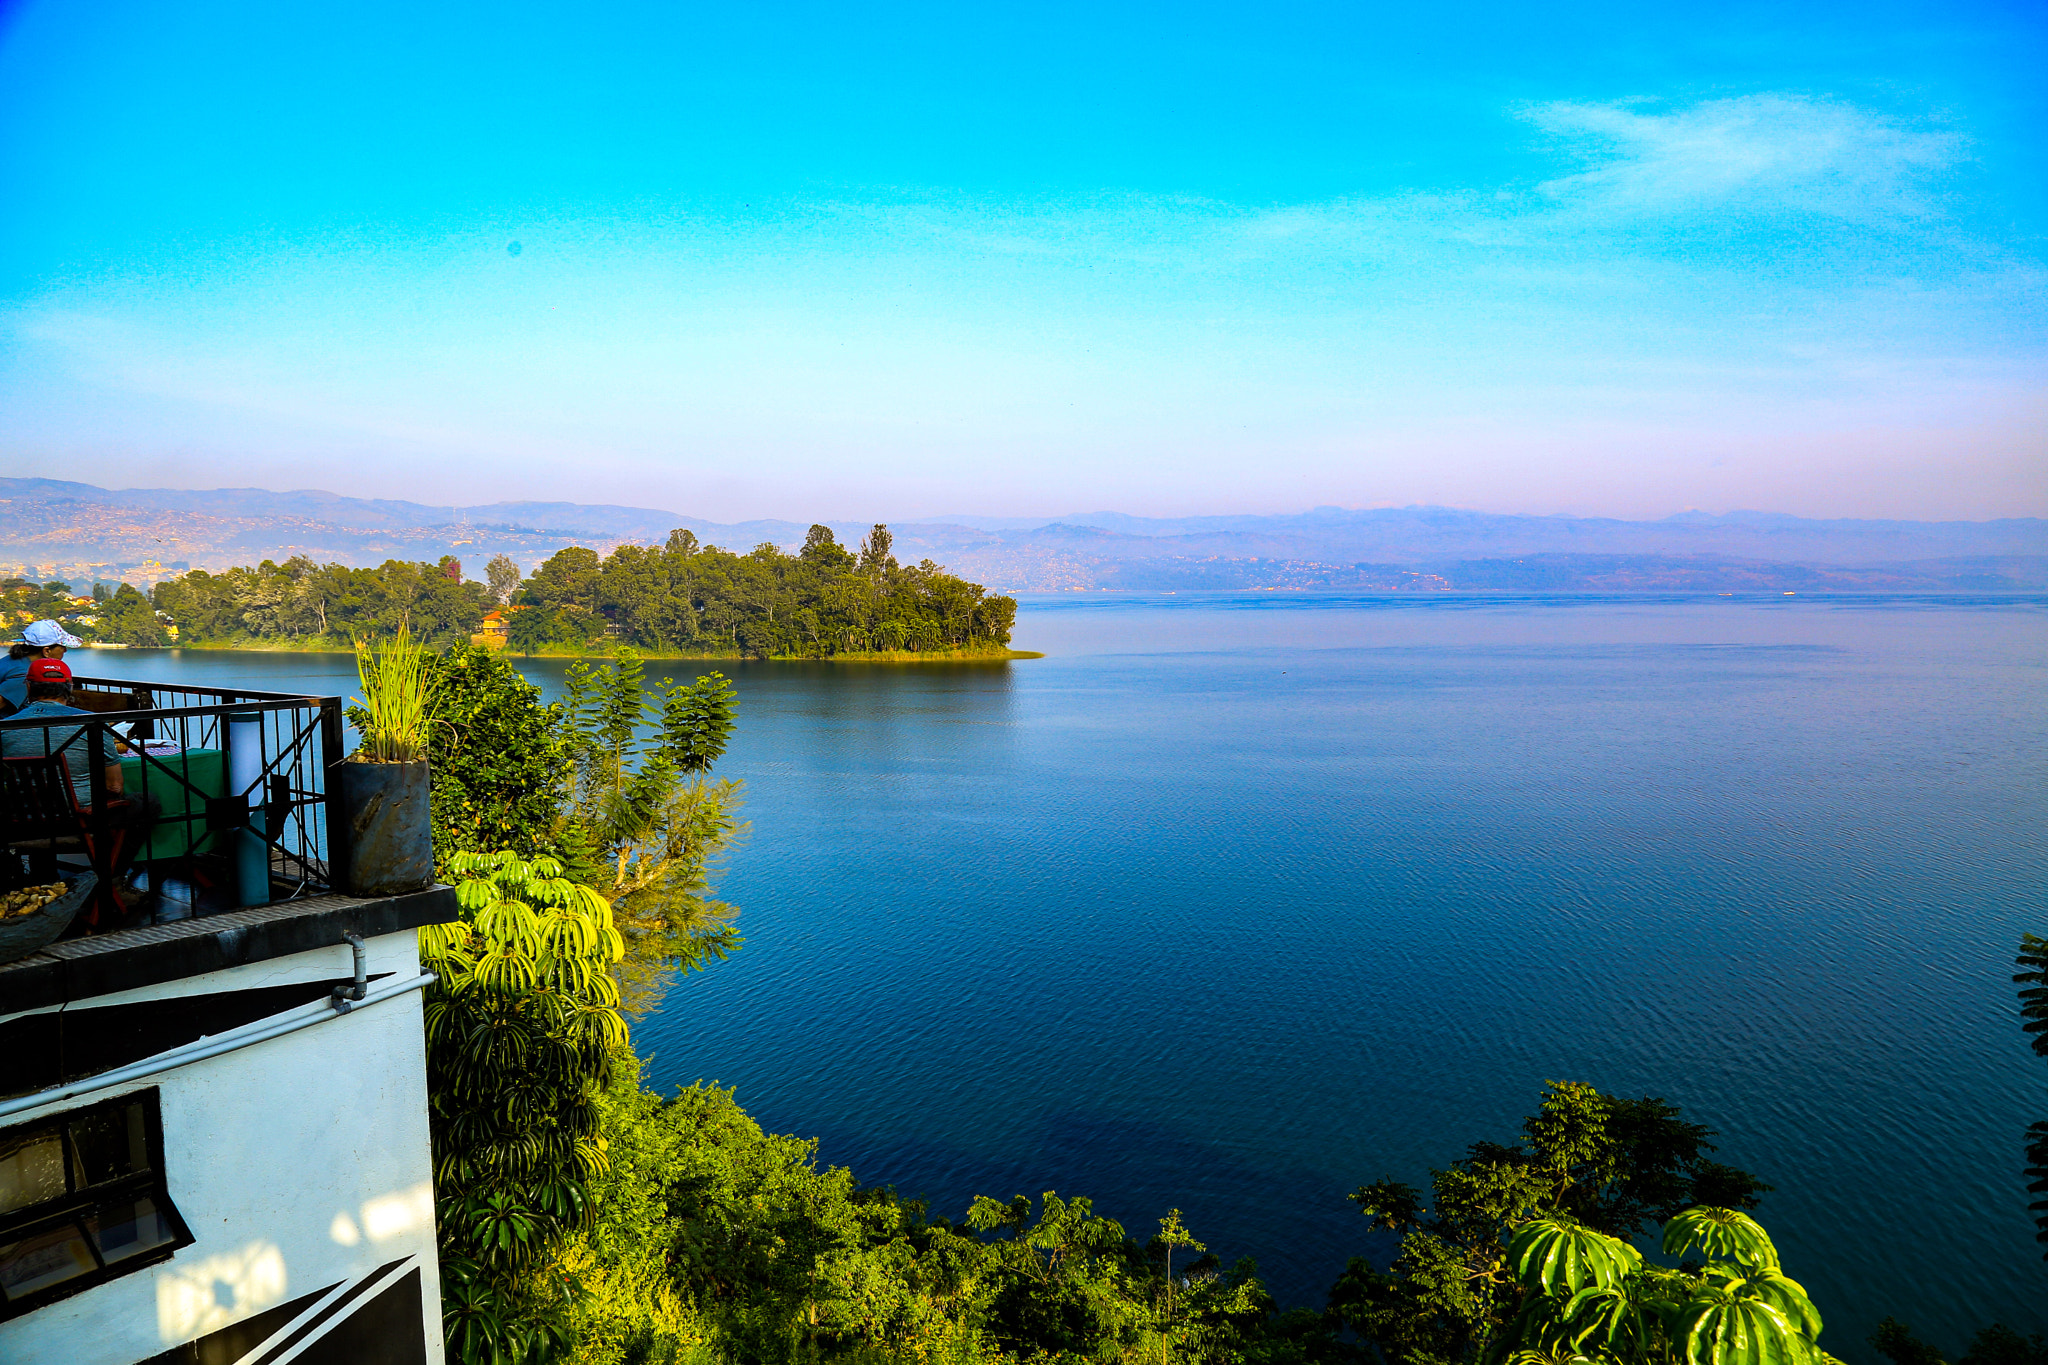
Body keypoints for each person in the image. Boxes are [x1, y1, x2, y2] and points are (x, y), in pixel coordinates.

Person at [1, 658, 159, 891]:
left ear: (27, 687)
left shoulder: (5, 728)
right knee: (147, 802)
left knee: (38, 800)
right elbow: (115, 786)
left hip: (21, 823)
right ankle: (109, 880)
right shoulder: (91, 724)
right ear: (70, 686)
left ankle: (44, 880)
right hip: (80, 822)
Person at [0, 620, 84, 716]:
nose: (65, 650)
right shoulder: (24, 673)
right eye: (62, 646)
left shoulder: (14, 660)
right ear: (46, 651)